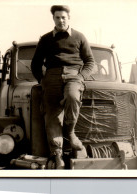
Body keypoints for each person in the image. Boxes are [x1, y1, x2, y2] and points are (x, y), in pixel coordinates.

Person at [31, 5, 95, 169]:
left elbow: (90, 62)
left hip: (74, 75)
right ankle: (57, 155)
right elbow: (35, 64)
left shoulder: (79, 37)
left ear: (69, 18)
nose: (60, 20)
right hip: (51, 77)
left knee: (73, 97)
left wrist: (81, 76)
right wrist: (42, 80)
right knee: (52, 115)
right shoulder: (45, 39)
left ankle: (71, 133)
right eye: (57, 17)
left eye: (63, 17)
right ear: (53, 19)